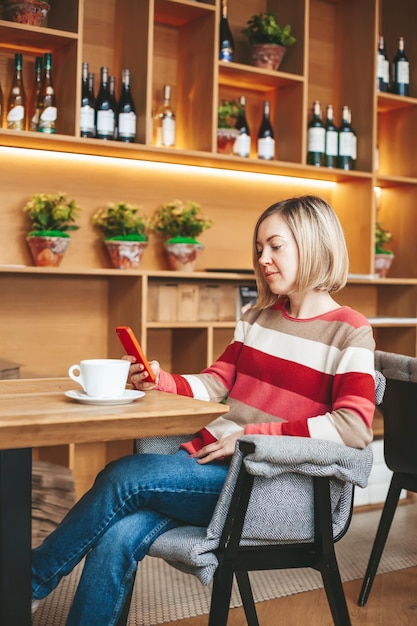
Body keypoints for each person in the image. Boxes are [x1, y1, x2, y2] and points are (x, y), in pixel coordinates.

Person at [32, 195, 376, 625]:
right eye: (259, 249)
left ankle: (29, 582)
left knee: (125, 475)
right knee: (118, 532)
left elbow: (354, 427)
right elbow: (214, 383)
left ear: (314, 244)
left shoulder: (351, 331)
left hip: (268, 486)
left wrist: (252, 439)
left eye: (275, 246)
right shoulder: (258, 318)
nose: (263, 259)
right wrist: (161, 380)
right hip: (209, 465)